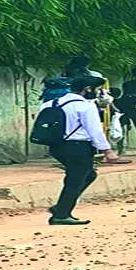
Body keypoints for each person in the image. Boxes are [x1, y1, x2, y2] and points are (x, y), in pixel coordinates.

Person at [40, 74, 117, 225]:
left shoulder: (51, 103)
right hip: (78, 147)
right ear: (87, 89)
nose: (98, 93)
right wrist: (107, 150)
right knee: (76, 179)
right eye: (97, 89)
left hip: (57, 146)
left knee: (87, 175)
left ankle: (60, 207)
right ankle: (61, 214)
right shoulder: (85, 107)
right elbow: (95, 130)